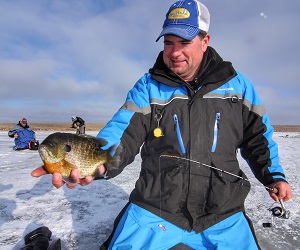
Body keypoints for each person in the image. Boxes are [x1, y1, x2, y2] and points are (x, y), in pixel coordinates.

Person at [32, 1, 293, 249]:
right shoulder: (148, 87)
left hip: (223, 211)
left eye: (184, 42)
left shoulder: (239, 88)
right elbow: (120, 133)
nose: (175, 52)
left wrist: (274, 176)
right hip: (155, 207)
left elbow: (259, 138)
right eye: (168, 43)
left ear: (205, 41)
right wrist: (95, 165)